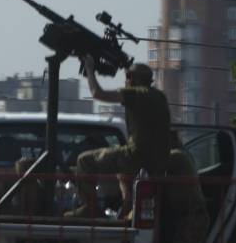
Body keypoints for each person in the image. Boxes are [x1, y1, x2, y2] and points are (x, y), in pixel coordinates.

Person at [68, 57, 171, 218]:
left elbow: (97, 93)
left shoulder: (136, 93)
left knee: (84, 161)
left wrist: (89, 69)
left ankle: (89, 208)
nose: (125, 81)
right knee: (122, 175)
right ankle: (126, 209)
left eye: (127, 77)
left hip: (136, 156)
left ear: (133, 79)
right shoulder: (160, 97)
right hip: (156, 162)